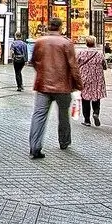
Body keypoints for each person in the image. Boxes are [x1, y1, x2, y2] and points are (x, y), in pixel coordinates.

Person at [28, 16, 82, 159]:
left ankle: (35, 146)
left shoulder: (39, 41)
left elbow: (33, 61)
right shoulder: (66, 43)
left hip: (42, 85)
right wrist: (78, 84)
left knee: (39, 115)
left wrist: (41, 73)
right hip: (62, 86)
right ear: (60, 27)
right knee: (63, 114)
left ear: (48, 26)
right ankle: (64, 141)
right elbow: (73, 66)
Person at [76, 36, 106, 127]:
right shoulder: (99, 54)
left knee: (85, 99)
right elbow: (104, 66)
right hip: (97, 79)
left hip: (85, 78)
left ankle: (87, 120)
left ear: (86, 43)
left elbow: (75, 64)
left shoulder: (81, 53)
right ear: (95, 43)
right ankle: (96, 113)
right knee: (96, 96)